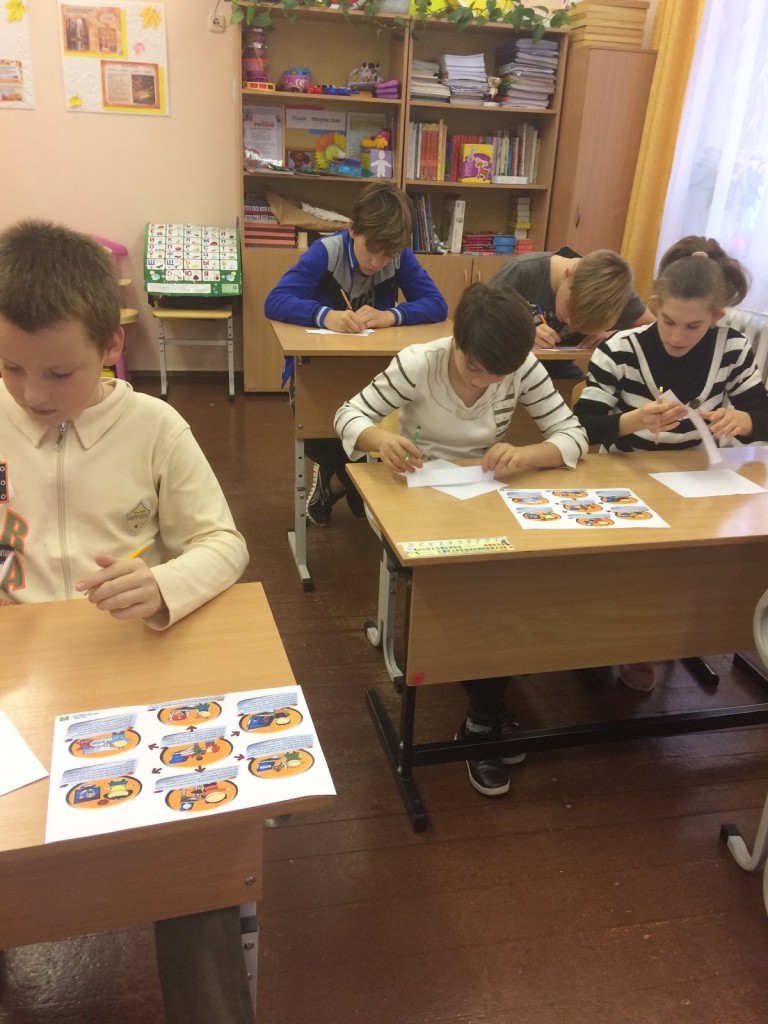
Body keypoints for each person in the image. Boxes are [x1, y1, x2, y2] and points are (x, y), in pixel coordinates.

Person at [0, 220, 253, 1024]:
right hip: (18, 676)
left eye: (59, 372)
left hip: (130, 670)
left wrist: (164, 586)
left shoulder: (154, 427)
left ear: (113, 345)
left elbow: (225, 544)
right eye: (10, 367)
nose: (33, 394)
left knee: (197, 860)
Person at [335, 281, 588, 797]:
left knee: (514, 582)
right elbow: (348, 415)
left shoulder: (519, 366)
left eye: (498, 375)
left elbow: (574, 435)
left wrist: (527, 454)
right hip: (416, 497)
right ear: (456, 340)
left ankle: (484, 710)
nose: (485, 381)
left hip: (485, 495)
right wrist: (382, 439)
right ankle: (483, 718)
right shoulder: (419, 363)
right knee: (489, 589)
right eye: (474, 368)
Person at [575, 236, 768, 693]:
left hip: (699, 481)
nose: (678, 336)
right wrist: (634, 420)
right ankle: (621, 640)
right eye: (668, 321)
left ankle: (674, 634)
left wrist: (743, 420)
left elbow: (762, 416)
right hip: (627, 472)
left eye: (693, 326)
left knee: (702, 562)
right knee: (634, 565)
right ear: (654, 305)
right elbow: (583, 425)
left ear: (716, 317)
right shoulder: (619, 348)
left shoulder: (733, 348)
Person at [264, 179, 448, 526]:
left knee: (391, 438)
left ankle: (337, 483)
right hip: (318, 372)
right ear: (352, 229)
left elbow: (436, 304)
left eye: (388, 254)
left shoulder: (398, 256)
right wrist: (325, 315)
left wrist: (392, 315)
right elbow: (275, 300)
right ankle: (348, 482)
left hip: (376, 372)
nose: (378, 262)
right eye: (371, 250)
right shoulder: (326, 252)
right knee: (324, 438)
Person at [489, 246, 655, 360]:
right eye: (570, 308)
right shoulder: (521, 271)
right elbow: (480, 325)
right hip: (511, 370)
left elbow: (654, 329)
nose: (570, 322)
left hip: (562, 372)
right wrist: (521, 333)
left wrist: (611, 335)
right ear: (567, 275)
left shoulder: (614, 293)